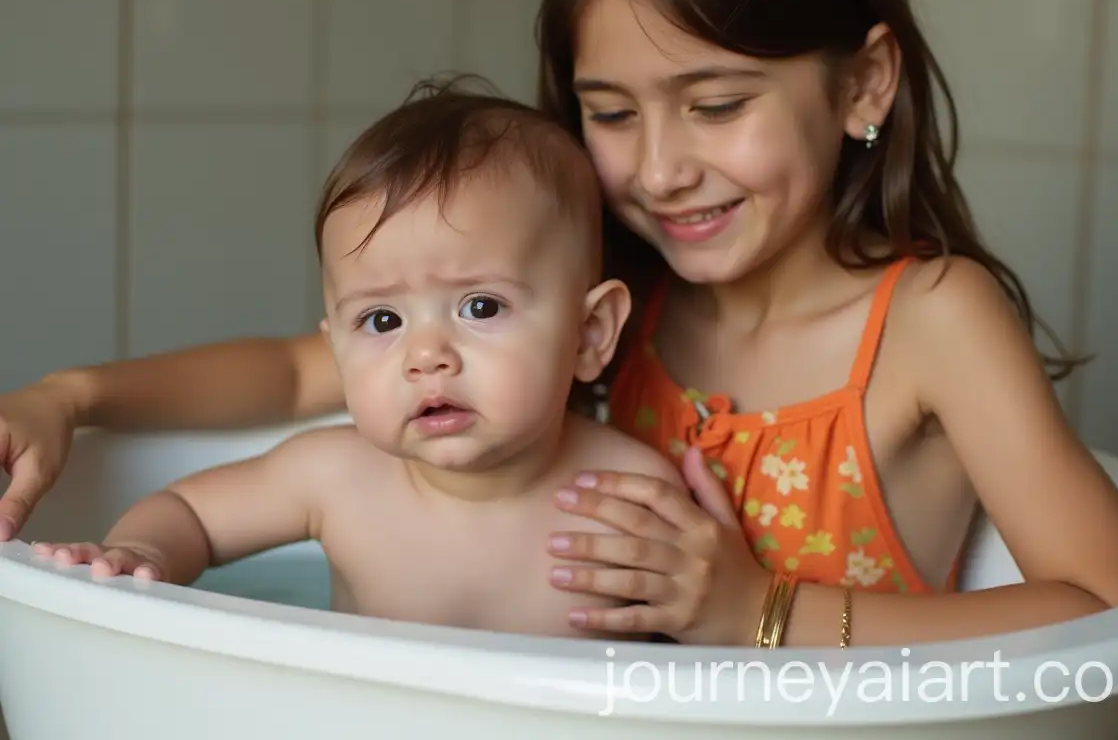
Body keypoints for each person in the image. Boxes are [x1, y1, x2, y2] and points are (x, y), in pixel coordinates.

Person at [0, 0, 1118, 648]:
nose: (658, 168)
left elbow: (1117, 614)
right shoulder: (622, 290)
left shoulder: (928, 321)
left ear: (861, 85)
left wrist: (752, 611)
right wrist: (71, 395)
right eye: (610, 112)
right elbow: (295, 368)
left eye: (716, 105)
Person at [26, 80, 683, 640]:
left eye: (480, 307)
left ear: (590, 333)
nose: (426, 356)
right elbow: (191, 514)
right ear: (337, 349)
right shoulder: (336, 478)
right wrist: (141, 553)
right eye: (383, 321)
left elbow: (695, 670)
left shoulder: (632, 495)